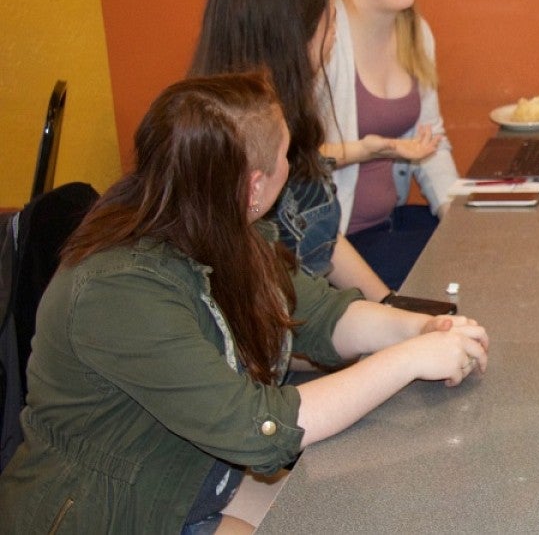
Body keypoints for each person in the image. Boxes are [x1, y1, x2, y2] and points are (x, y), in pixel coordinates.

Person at [0, 75, 489, 533]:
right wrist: (405, 361)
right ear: (254, 185)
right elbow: (258, 428)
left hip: (186, 479)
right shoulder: (120, 290)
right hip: (114, 512)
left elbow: (318, 314)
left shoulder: (220, 226)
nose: (291, 166)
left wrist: (417, 330)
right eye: (284, 157)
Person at [190, 0, 396, 303]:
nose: (335, 32)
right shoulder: (241, 154)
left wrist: (391, 304)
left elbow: (321, 235)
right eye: (329, 20)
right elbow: (286, 330)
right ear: (290, 38)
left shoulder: (282, 121)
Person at [319, 0, 458, 289]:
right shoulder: (321, 37)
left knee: (483, 257)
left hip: (390, 223)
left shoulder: (417, 30)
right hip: (337, 241)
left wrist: (453, 211)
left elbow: (431, 142)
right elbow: (295, 160)